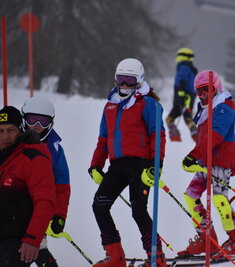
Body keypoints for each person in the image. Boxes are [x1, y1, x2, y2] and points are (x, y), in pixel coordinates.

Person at [88, 58, 167, 267]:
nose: (124, 85)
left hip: (141, 165)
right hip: (118, 166)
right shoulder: (110, 106)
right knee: (99, 206)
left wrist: (155, 165)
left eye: (129, 81)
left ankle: (156, 257)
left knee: (138, 210)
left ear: (139, 81)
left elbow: (157, 135)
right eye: (120, 80)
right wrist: (96, 164)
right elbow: (103, 139)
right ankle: (115, 256)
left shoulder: (148, 104)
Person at [178, 70, 235, 259]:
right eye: (200, 91)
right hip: (205, 163)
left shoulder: (223, 108)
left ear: (216, 88)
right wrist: (198, 157)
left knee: (219, 200)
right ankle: (206, 238)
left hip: (220, 161)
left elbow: (215, 136)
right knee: (190, 195)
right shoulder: (205, 110)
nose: (204, 95)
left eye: (207, 90)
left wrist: (193, 155)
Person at [0, 106, 56, 266]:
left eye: (11, 130)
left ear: (21, 130)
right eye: (1, 130)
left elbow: (45, 201)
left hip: (17, 242)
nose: (5, 136)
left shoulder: (33, 156)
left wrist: (32, 239)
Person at [21, 96, 71, 267]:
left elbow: (62, 186)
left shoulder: (55, 149)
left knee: (37, 248)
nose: (37, 126)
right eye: (32, 120)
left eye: (43, 122)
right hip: (13, 207)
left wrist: (59, 215)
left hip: (39, 210)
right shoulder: (13, 140)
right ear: (23, 119)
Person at [165, 47, 198, 142]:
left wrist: (181, 95)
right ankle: (195, 135)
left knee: (171, 119)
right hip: (189, 96)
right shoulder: (190, 67)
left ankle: (176, 137)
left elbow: (182, 81)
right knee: (187, 116)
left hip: (182, 97)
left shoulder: (183, 66)